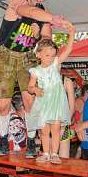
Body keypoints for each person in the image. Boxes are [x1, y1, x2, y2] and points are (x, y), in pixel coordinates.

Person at [0, 0, 70, 157]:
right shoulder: (17, 2)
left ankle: (30, 140)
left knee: (30, 100)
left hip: (28, 56)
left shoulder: (42, 14)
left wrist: (39, 35)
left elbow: (47, 41)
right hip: (6, 55)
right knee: (3, 104)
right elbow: (26, 11)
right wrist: (52, 18)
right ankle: (3, 139)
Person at [27, 23, 75, 164]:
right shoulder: (35, 70)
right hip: (43, 103)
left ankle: (55, 153)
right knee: (43, 130)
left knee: (55, 129)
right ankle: (46, 153)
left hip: (56, 103)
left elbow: (68, 50)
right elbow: (30, 87)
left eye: (53, 55)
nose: (50, 58)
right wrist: (35, 89)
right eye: (47, 55)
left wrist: (71, 34)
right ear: (38, 54)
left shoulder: (55, 64)